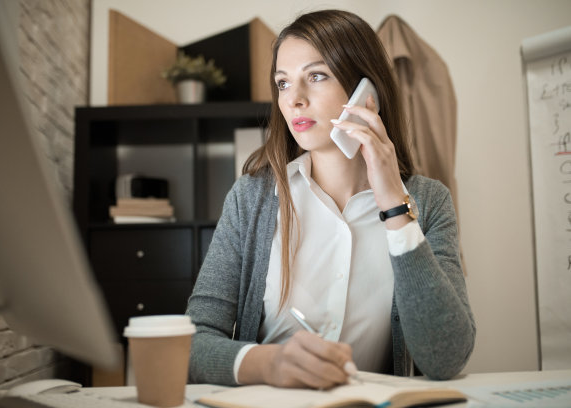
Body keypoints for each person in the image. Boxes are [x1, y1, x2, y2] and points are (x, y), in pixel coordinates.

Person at [186, 9, 475, 389]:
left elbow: (447, 357)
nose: (294, 100)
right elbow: (191, 344)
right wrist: (268, 364)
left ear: (367, 92)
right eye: (283, 83)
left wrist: (394, 206)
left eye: (316, 76)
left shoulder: (428, 202)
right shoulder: (251, 199)